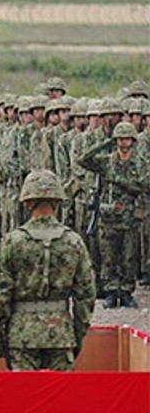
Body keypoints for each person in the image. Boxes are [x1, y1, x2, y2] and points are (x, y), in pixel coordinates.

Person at [0, 170, 96, 371]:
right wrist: (77, 334)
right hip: (60, 333)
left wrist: (0, 335)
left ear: (28, 203)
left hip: (22, 334)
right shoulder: (73, 242)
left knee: (25, 398)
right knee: (59, 399)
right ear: (57, 202)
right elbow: (86, 296)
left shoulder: (13, 242)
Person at [78, 121, 148, 308]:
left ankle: (126, 291)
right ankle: (110, 291)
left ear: (132, 140)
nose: (123, 142)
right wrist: (104, 143)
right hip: (108, 216)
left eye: (127, 138)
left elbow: (143, 186)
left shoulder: (140, 163)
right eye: (120, 138)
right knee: (108, 255)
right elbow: (83, 160)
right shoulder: (107, 161)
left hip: (129, 215)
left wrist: (118, 180)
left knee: (129, 256)